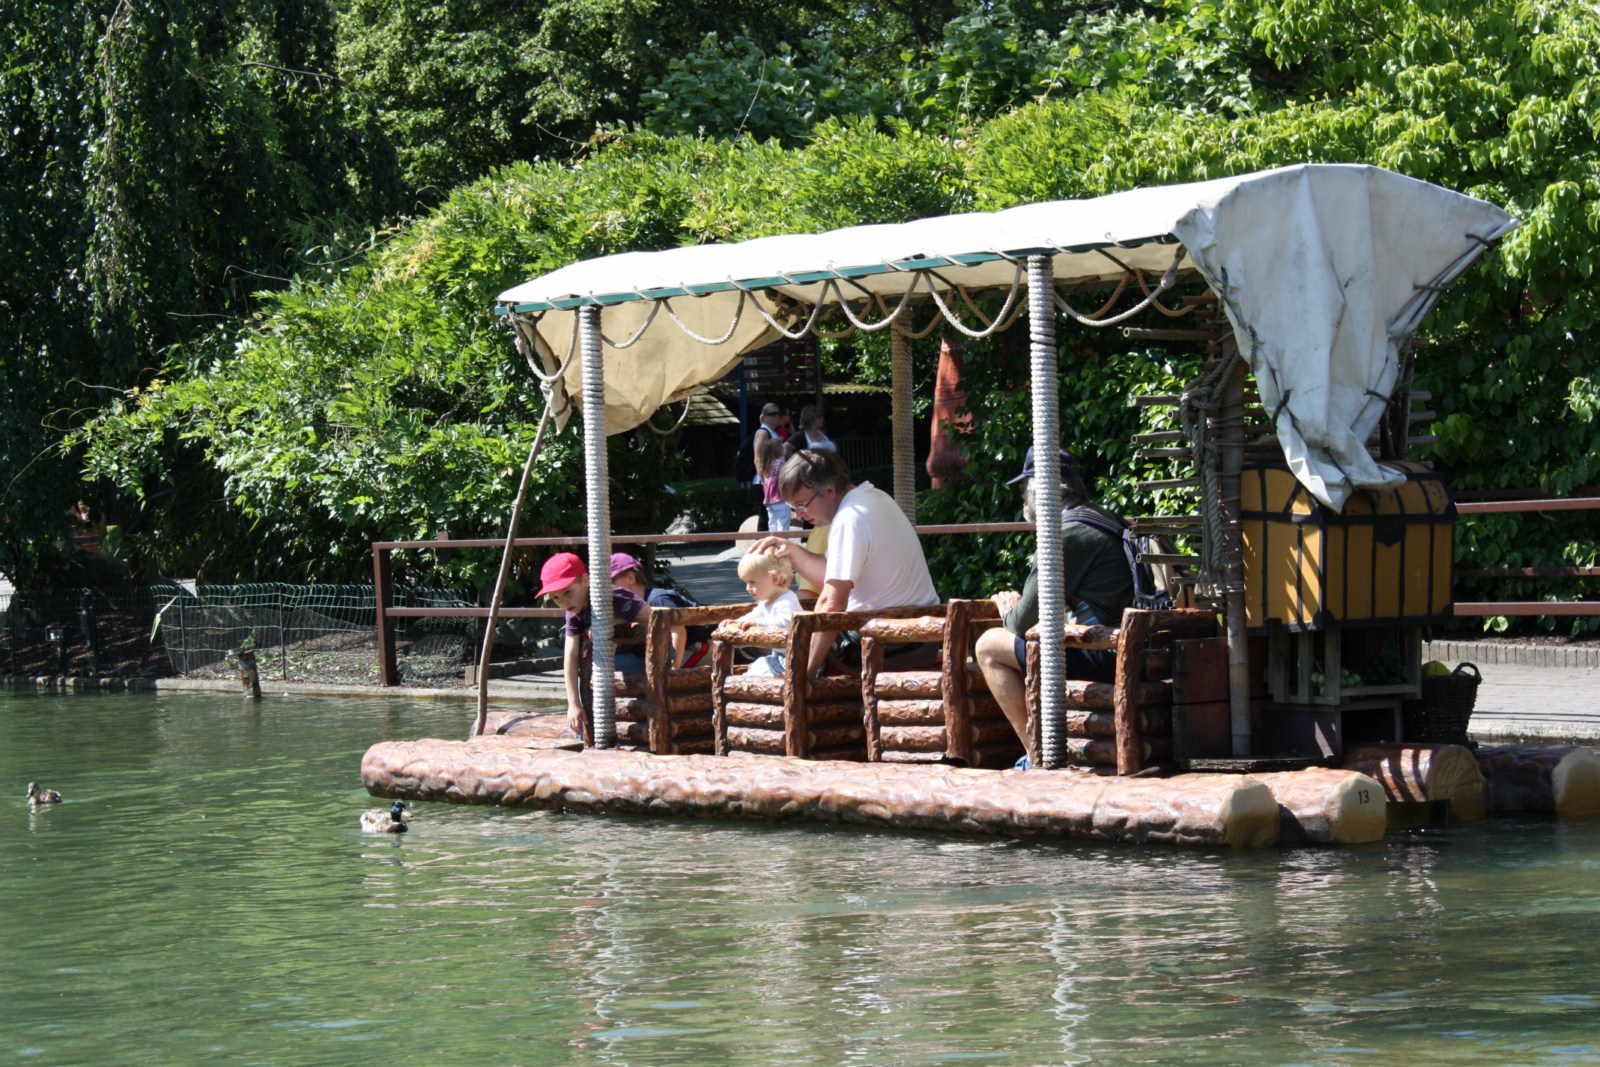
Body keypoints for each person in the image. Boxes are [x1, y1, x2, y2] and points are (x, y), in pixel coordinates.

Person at [973, 446, 1135, 755]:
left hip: (1109, 656)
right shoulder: (1104, 518)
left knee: (989, 646)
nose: (1023, 498)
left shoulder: (1066, 535)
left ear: (1039, 491)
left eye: (1024, 490)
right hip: (1137, 649)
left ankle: (1034, 754)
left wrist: (1008, 610)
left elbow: (1021, 623)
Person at [750, 448, 939, 676]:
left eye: (801, 505)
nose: (798, 515)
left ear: (829, 490)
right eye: (793, 508)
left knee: (777, 647)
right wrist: (791, 550)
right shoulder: (875, 497)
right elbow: (833, 574)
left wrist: (803, 674)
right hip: (919, 642)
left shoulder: (849, 518)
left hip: (887, 647)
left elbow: (832, 603)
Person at [536, 552, 650, 736]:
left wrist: (609, 624)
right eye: (556, 598)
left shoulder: (612, 596)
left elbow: (653, 617)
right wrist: (573, 704)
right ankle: (584, 736)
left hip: (643, 660)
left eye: (567, 592)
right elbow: (570, 658)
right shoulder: (573, 612)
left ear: (585, 580)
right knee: (586, 674)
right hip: (615, 660)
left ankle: (589, 735)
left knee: (592, 672)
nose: (563, 602)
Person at [609, 552, 713, 669]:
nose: (608, 588)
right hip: (678, 647)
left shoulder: (657, 599)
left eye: (611, 582)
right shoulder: (626, 608)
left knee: (663, 669)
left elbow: (678, 630)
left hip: (697, 645)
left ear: (630, 578)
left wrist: (673, 672)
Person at [726, 548, 802, 676]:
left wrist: (758, 623)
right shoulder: (767, 601)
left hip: (797, 658)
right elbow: (754, 615)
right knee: (753, 670)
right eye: (746, 582)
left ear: (774, 579)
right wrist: (737, 622)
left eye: (752, 582)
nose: (747, 588)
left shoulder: (786, 600)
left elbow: (787, 623)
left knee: (753, 676)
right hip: (781, 655)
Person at [758, 433, 791, 531]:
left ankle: (773, 540)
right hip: (780, 499)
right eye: (781, 446)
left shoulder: (766, 465)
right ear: (778, 449)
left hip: (769, 500)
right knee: (783, 524)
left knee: (772, 524)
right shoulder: (781, 463)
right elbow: (786, 479)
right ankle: (782, 541)